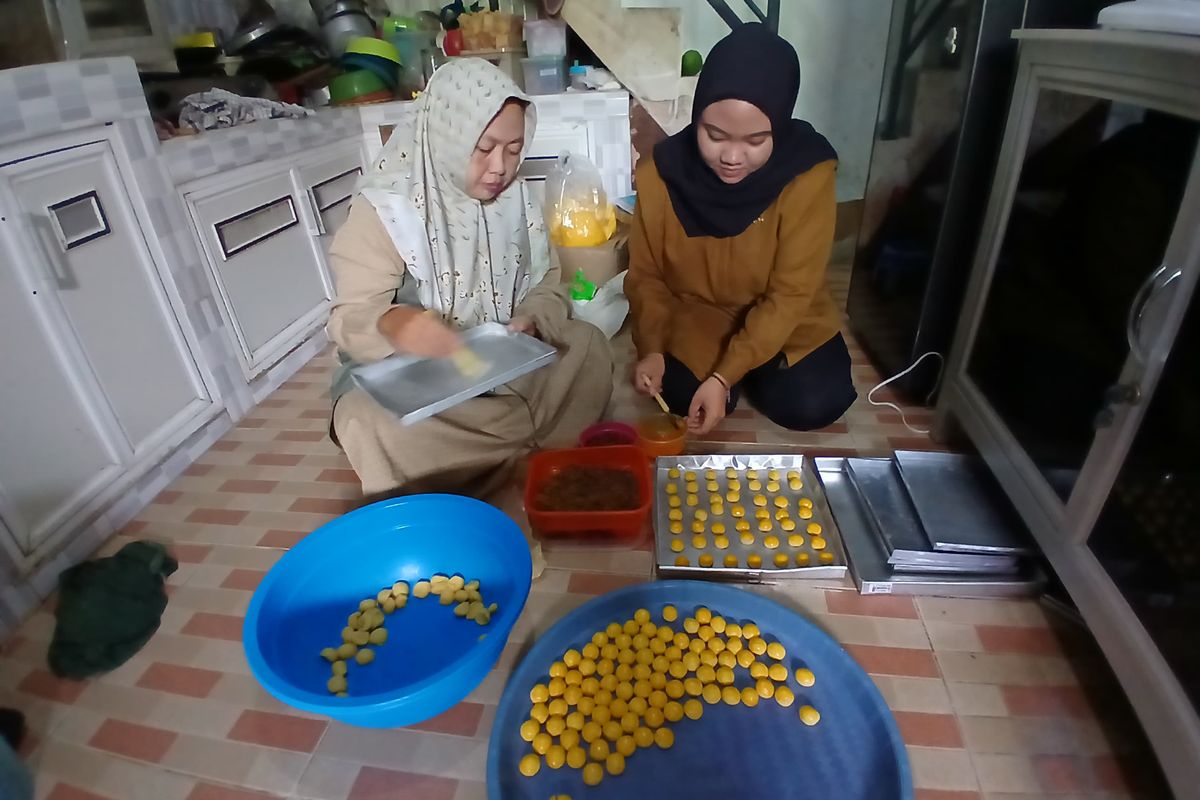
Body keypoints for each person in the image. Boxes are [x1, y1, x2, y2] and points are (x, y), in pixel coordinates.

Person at [327, 58, 613, 500]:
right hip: (424, 385)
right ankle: (509, 456)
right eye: (484, 148)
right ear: (449, 136)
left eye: (514, 149)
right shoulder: (387, 209)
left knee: (589, 345)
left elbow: (549, 284)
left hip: (504, 364)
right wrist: (395, 324)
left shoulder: (517, 200)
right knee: (367, 421)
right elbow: (349, 318)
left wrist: (532, 318)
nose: (500, 167)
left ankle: (496, 461)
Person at [626, 23, 856, 435]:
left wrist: (723, 375)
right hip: (699, 316)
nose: (732, 157)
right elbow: (647, 277)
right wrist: (653, 348)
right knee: (676, 394)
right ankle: (745, 371)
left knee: (814, 402)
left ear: (779, 127)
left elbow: (791, 293)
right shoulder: (659, 174)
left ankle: (749, 368)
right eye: (714, 135)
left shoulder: (808, 175)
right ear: (697, 116)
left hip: (786, 318)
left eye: (755, 141)